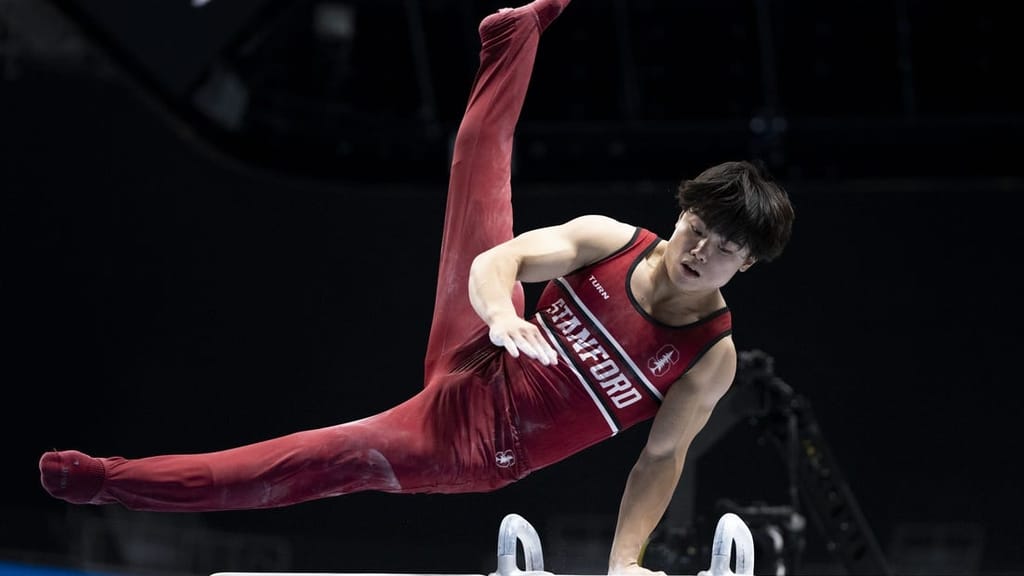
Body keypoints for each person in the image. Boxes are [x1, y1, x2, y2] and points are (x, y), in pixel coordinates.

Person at [39, 1, 794, 574]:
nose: (702, 253)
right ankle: (515, 33)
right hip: (483, 343)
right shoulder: (609, 241)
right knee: (478, 169)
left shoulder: (708, 355)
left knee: (300, 465)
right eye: (700, 229)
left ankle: (111, 482)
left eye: (726, 251)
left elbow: (660, 459)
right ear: (683, 211)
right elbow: (494, 264)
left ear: (746, 267)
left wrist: (622, 562)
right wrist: (501, 316)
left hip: (472, 445)